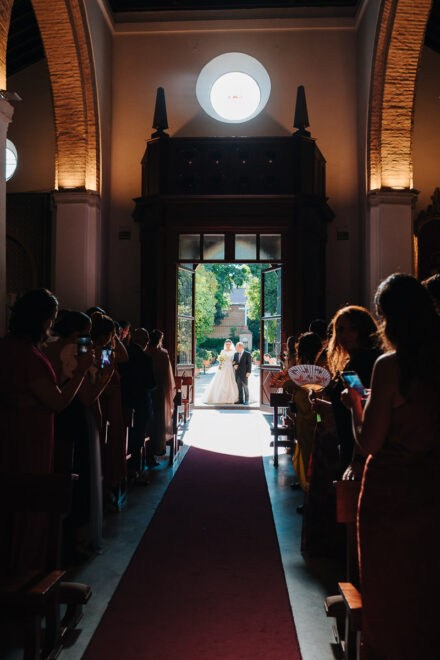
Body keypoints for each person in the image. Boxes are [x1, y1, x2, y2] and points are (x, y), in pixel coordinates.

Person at [341, 273, 440, 660]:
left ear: (387, 318)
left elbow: (369, 440)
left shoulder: (391, 366)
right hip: (434, 487)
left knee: (392, 591)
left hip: (394, 495)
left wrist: (355, 405)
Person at [0, 289, 93, 572]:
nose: (52, 325)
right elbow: (57, 402)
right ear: (39, 320)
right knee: (29, 501)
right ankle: (25, 574)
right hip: (28, 438)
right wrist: (80, 372)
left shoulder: (6, 347)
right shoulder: (28, 356)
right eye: (50, 319)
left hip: (11, 432)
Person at [119, 328, 156, 474]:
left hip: (122, 400)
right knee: (138, 436)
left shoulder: (122, 353)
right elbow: (151, 383)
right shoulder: (145, 358)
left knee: (123, 436)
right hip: (140, 403)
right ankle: (134, 468)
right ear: (145, 341)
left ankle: (122, 467)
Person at [146, 330, 176, 458]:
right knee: (158, 420)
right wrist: (169, 391)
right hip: (159, 391)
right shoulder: (163, 355)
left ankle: (146, 450)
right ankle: (156, 447)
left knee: (148, 421)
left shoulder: (145, 353)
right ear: (159, 340)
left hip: (147, 390)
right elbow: (168, 378)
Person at [203, 339, 239, 405]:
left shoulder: (234, 351)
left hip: (230, 367)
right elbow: (221, 360)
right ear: (225, 345)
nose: (228, 345)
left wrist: (234, 363)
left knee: (231, 381)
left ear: (231, 345)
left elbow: (235, 360)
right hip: (223, 368)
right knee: (221, 381)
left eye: (229, 344)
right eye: (226, 344)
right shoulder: (222, 351)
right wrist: (220, 365)